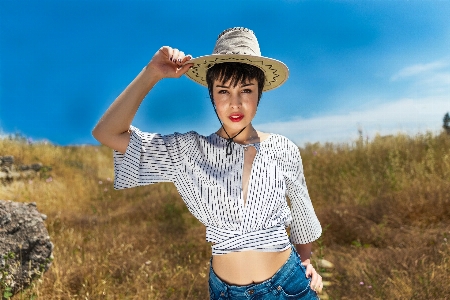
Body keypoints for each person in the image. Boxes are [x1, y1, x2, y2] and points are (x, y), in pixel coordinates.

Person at [93, 27, 323, 299]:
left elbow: (301, 214)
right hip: (226, 293)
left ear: (259, 92)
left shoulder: (283, 148)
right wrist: (152, 73)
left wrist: (306, 261)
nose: (235, 104)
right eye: (224, 91)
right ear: (211, 94)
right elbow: (107, 133)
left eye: (246, 90)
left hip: (290, 285)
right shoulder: (189, 151)